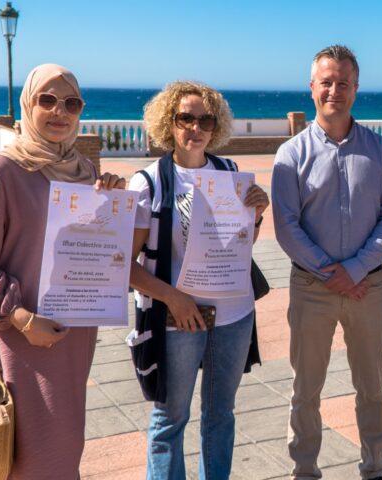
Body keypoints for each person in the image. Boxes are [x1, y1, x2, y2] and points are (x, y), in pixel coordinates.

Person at [0, 63, 125, 479]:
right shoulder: (1, 172)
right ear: (26, 106)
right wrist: (22, 319)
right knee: (24, 458)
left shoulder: (84, 172)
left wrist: (112, 207)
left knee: (66, 450)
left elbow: (101, 253)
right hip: (18, 341)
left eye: (71, 103)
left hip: (71, 338)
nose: (60, 112)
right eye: (46, 100)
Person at [271, 45, 382, 480]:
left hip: (369, 288)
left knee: (372, 388)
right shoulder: (290, 155)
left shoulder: (381, 150)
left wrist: (357, 268)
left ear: (356, 88)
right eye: (326, 82)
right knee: (305, 391)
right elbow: (287, 226)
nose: (335, 90)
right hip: (313, 290)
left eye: (343, 82)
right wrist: (333, 272)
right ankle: (305, 471)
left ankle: (375, 467)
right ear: (312, 88)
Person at [128, 80, 270, 479]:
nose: (196, 127)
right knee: (170, 419)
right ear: (168, 123)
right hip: (177, 319)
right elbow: (126, 265)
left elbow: (238, 245)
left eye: (205, 119)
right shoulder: (150, 182)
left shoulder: (230, 173)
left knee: (220, 415)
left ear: (216, 125)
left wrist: (256, 216)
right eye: (185, 118)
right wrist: (174, 299)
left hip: (234, 314)